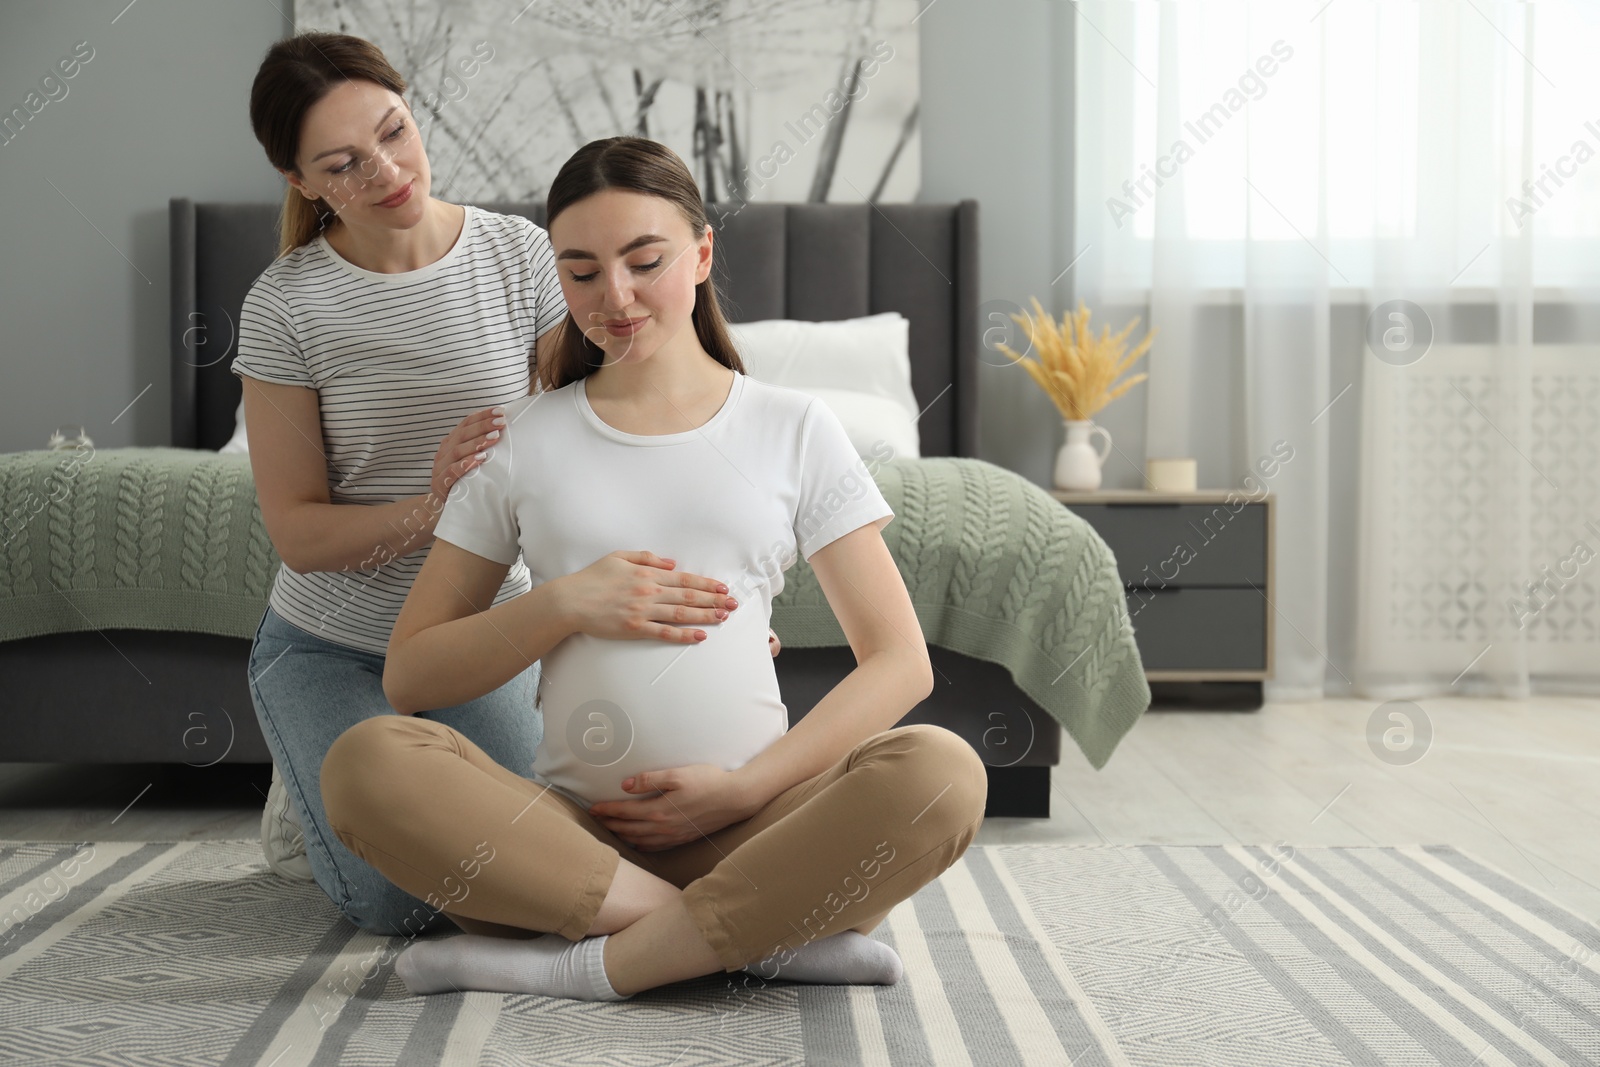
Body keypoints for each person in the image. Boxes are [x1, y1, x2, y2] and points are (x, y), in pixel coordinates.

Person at [319, 136, 989, 1001]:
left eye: (644, 261)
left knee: (942, 771)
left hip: (758, 830)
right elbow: (411, 673)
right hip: (571, 849)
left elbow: (901, 662)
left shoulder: (793, 427)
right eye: (582, 272)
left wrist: (741, 789)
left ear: (703, 252)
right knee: (367, 760)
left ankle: (592, 966)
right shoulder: (523, 440)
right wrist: (564, 604)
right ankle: (749, 936)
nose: (616, 297)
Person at [233, 33, 780, 937]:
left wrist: (727, 607)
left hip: (477, 634)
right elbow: (296, 533)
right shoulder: (287, 304)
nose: (388, 170)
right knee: (404, 903)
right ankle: (307, 804)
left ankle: (369, 789)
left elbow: (603, 440)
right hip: (332, 645)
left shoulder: (522, 256)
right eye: (345, 163)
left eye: (395, 132)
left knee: (541, 857)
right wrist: (433, 509)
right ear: (303, 183)